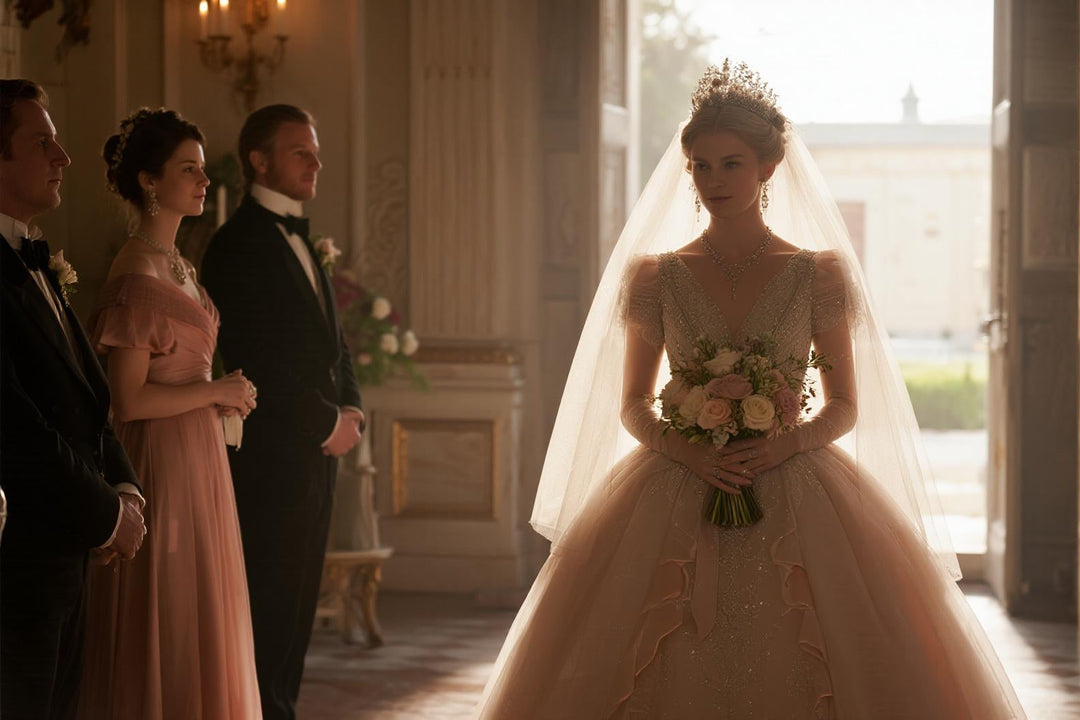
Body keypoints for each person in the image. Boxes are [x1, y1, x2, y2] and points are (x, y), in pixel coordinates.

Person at [476, 62, 1027, 718]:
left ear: (768, 166)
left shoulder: (816, 275)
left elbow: (846, 405)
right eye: (701, 167)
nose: (714, 181)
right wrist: (689, 451)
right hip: (678, 478)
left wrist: (781, 446)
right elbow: (631, 402)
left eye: (731, 164)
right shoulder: (656, 278)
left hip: (794, 478)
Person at [77, 108, 261, 719]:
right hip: (161, 461)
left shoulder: (180, 264)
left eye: (202, 169)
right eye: (189, 169)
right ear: (149, 181)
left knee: (200, 603)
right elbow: (127, 400)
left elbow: (186, 372)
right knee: (170, 607)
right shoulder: (136, 270)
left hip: (200, 456)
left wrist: (224, 394)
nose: (204, 180)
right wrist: (213, 392)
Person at [201, 104, 364, 720]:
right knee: (267, 615)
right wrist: (326, 423)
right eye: (301, 152)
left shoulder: (303, 238)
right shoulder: (236, 245)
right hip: (271, 463)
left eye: (316, 152)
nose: (316, 162)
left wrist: (352, 408)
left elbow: (335, 342)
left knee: (297, 620)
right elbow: (259, 359)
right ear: (259, 160)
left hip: (318, 459)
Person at [0, 79, 146, 720]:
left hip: (67, 554)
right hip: (16, 560)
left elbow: (89, 399)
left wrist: (126, 488)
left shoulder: (35, 259)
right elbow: (13, 424)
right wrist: (105, 514)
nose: (63, 157)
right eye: (42, 143)